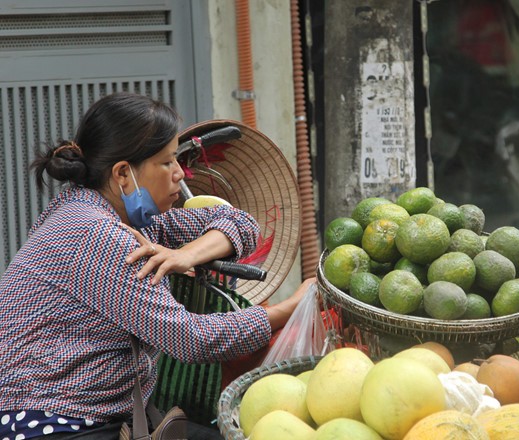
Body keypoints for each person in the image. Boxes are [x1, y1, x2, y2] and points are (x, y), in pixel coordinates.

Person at [0, 92, 313, 440]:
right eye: (167, 163)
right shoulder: (96, 234)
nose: (181, 173)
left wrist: (187, 254)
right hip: (57, 425)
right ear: (123, 174)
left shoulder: (115, 214)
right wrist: (289, 308)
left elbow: (239, 222)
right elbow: (191, 340)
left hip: (101, 417)